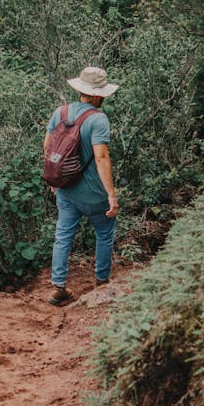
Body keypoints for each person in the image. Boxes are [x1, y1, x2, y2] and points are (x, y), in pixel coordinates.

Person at [44, 66, 119, 306]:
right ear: (98, 94)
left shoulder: (61, 112)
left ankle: (58, 288)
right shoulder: (98, 119)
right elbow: (101, 158)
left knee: (63, 235)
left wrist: (55, 179)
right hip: (94, 194)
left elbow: (48, 147)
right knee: (105, 232)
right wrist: (111, 195)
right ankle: (101, 282)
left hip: (66, 188)